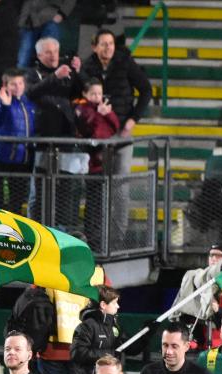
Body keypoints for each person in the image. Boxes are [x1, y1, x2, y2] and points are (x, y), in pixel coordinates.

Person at [81, 28, 152, 246]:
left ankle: (117, 239)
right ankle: (94, 238)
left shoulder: (125, 62)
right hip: (97, 138)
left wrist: (133, 120)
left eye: (110, 43)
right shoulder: (88, 66)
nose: (108, 48)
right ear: (94, 46)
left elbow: (146, 90)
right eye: (103, 44)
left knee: (120, 187)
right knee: (97, 187)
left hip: (121, 135)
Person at [24, 35, 86, 227]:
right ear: (39, 54)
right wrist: (54, 77)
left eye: (56, 52)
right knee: (39, 190)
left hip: (66, 138)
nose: (53, 56)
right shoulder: (32, 74)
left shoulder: (66, 73)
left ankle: (64, 231)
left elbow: (83, 91)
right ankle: (35, 230)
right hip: (42, 140)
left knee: (67, 187)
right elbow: (31, 92)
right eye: (48, 52)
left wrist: (78, 72)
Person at [74, 78, 120, 250]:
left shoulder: (103, 108)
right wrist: (99, 114)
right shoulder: (82, 109)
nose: (97, 96)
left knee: (100, 203)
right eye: (93, 93)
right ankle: (91, 240)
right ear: (85, 94)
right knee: (92, 204)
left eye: (99, 93)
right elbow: (90, 131)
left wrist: (107, 114)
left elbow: (115, 126)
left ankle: (98, 240)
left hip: (103, 163)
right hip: (90, 164)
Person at [0, 68, 36, 215]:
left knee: (20, 197)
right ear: (5, 85)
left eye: (20, 83)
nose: (18, 87)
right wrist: (5, 105)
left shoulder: (29, 104)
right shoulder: (0, 103)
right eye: (13, 84)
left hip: (25, 158)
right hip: (7, 158)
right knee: (4, 198)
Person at [17, 1, 77, 68]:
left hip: (49, 17)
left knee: (49, 57)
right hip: (28, 20)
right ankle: (20, 77)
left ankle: (50, 77)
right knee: (24, 58)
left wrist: (62, 14)